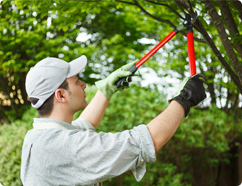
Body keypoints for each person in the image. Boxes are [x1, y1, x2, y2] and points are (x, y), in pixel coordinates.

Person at [21, 55, 206, 186]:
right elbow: (144, 142)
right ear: (61, 95)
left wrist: (106, 89)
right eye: (77, 81)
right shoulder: (66, 146)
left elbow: (84, 126)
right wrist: (184, 99)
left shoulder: (38, 137)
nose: (83, 84)